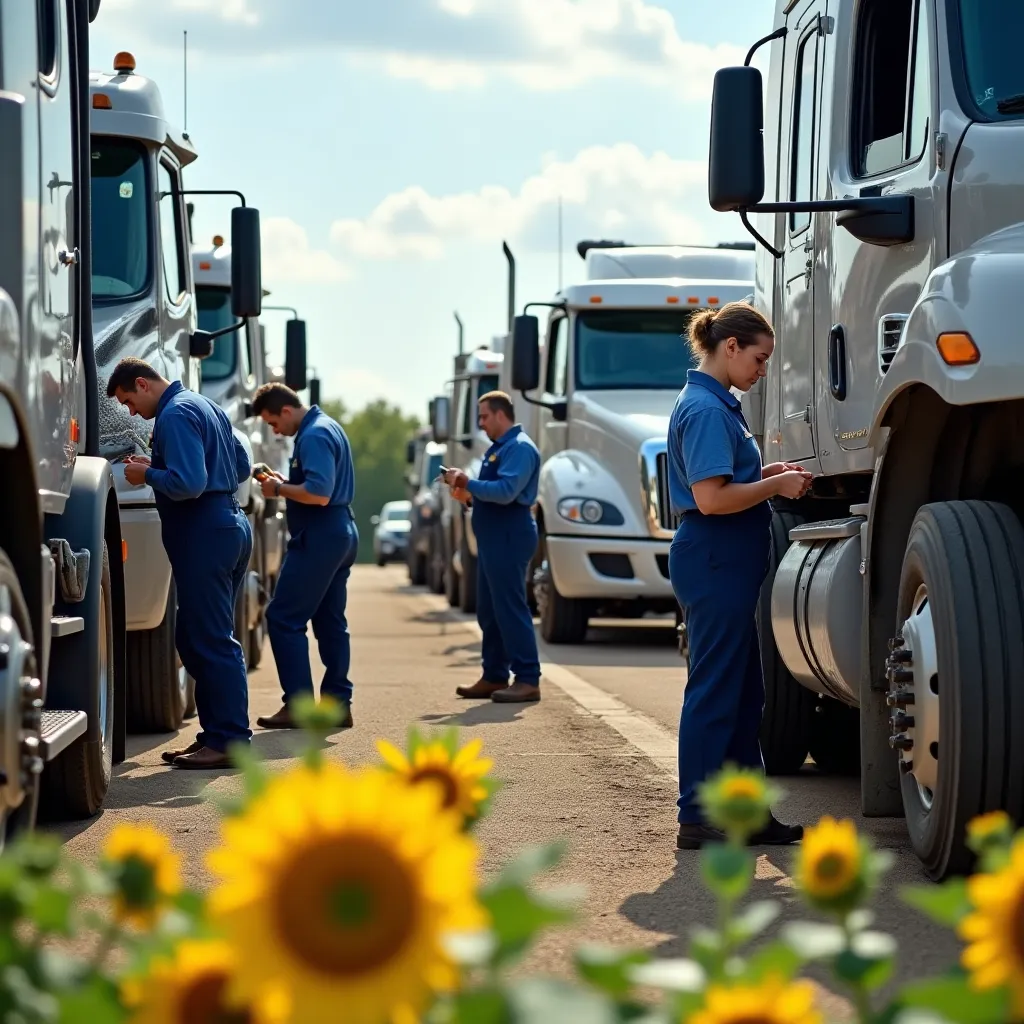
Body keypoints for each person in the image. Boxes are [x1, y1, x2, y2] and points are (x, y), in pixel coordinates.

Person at [667, 302, 812, 849]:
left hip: (723, 558)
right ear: (730, 347)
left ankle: (746, 812)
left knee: (745, 689)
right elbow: (711, 498)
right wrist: (774, 488)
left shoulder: (716, 404)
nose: (763, 370)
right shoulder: (706, 409)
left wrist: (765, 473)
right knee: (716, 688)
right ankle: (697, 814)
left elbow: (728, 481)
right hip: (715, 556)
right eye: (759, 358)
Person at [107, 358, 253, 769]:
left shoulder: (174, 415)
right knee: (195, 637)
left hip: (205, 532)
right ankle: (216, 735)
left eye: (128, 401)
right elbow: (240, 466)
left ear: (142, 383)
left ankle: (229, 740)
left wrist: (147, 475)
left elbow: (189, 484)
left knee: (210, 639)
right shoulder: (206, 405)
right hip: (228, 523)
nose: (131, 411)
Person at [249, 383, 359, 729]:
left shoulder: (313, 436)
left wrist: (278, 489)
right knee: (329, 622)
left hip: (320, 535)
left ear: (285, 410)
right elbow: (318, 486)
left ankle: (297, 705)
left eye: (272, 423)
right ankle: (338, 703)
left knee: (282, 618)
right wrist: (285, 482)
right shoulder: (327, 426)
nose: (274, 431)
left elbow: (320, 493)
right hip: (339, 531)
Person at [443, 391, 542, 704]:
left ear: (501, 415)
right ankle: (494, 674)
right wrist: (470, 497)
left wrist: (466, 482)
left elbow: (507, 491)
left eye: (484, 416)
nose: (481, 423)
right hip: (493, 537)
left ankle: (527, 678)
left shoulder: (520, 448)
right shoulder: (500, 449)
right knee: (489, 610)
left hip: (509, 536)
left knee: (510, 609)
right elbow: (493, 494)